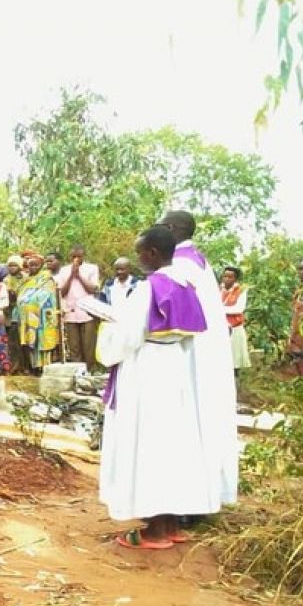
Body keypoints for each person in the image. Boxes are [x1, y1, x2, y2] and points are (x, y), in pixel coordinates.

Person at [98, 225, 217, 550]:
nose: (137, 259)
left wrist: (108, 331)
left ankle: (154, 533)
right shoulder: (185, 284)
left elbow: (127, 337)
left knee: (148, 447)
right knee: (172, 447)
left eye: (139, 253)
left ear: (151, 253)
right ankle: (169, 524)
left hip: (147, 369)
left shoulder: (150, 288)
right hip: (175, 368)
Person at [162, 209, 238, 508]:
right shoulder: (198, 260)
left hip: (190, 355)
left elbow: (166, 312)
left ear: (171, 228)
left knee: (188, 421)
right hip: (207, 353)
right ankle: (201, 497)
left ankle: (186, 502)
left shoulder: (180, 265)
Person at [56, 244, 100, 370]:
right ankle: (78, 372)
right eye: (73, 256)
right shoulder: (64, 270)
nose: (76, 259)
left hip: (87, 313)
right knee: (74, 346)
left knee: (89, 345)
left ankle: (90, 370)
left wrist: (79, 275)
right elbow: (62, 292)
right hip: (70, 311)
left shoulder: (92, 268)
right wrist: (71, 275)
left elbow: (92, 289)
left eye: (78, 256)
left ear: (83, 256)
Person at [16, 253, 60, 374]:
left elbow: (46, 294)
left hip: (43, 317)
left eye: (36, 265)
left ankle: (44, 367)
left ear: (41, 265)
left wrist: (31, 303)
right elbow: (20, 294)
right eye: (30, 265)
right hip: (27, 318)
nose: (33, 267)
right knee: (30, 343)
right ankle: (33, 367)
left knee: (42, 343)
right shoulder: (26, 280)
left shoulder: (46, 278)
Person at [219, 266, 251, 372]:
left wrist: (218, 309)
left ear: (235, 279)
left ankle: (236, 383)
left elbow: (239, 309)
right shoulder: (218, 289)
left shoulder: (241, 290)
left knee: (234, 360)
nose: (227, 279)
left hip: (235, 328)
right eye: (225, 276)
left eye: (230, 277)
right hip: (221, 328)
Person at [3, 255, 27, 373]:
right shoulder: (6, 279)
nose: (12, 268)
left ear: (20, 266)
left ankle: (25, 366)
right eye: (10, 265)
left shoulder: (26, 278)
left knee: (24, 342)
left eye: (14, 265)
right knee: (12, 341)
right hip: (10, 314)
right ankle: (14, 367)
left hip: (24, 313)